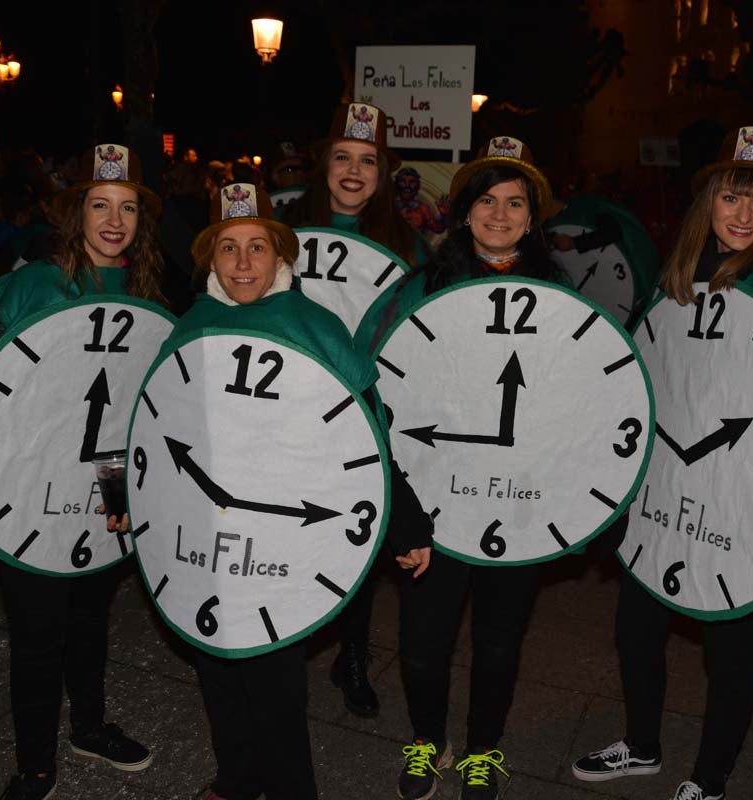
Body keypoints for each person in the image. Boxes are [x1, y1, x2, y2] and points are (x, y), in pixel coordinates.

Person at [110, 179, 432, 800]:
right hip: (205, 532)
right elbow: (153, 426)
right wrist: (128, 494)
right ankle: (236, 778)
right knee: (215, 664)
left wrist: (407, 520)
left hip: (282, 537)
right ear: (209, 260)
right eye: (227, 248)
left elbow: (365, 438)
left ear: (281, 256)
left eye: (257, 247)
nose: (242, 263)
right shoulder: (192, 326)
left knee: (276, 681)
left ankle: (289, 789)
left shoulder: (314, 326)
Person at [571, 125, 753, 800]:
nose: (744, 215)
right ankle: (641, 747)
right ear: (710, 201)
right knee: (636, 627)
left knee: (730, 654)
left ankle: (711, 780)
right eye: (732, 196)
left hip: (752, 504)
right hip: (672, 490)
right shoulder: (680, 273)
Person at [0, 144, 168, 800]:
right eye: (100, 205)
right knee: (38, 634)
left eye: (128, 208)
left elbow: (135, 408)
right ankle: (35, 762)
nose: (114, 219)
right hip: (26, 475)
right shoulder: (36, 284)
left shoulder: (145, 292)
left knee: (90, 621)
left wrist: (125, 487)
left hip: (101, 474)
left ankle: (90, 727)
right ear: (76, 214)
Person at [373, 136, 571, 800]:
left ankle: (485, 749)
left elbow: (585, 409)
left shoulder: (561, 293)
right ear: (462, 210)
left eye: (515, 202)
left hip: (518, 502)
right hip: (433, 502)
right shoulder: (425, 285)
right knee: (423, 645)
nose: (499, 213)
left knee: (498, 643)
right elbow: (382, 396)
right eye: (486, 199)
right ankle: (430, 740)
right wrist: (400, 512)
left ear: (532, 215)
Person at [280, 102, 426, 718]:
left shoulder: (407, 244)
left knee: (357, 533)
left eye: (368, 161)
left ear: (383, 172)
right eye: (343, 157)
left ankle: (354, 656)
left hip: (363, 409)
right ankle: (283, 643)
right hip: (286, 403)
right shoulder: (280, 228)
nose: (353, 171)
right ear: (324, 165)